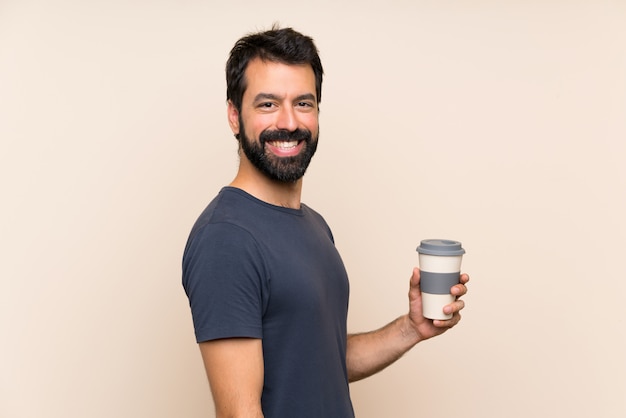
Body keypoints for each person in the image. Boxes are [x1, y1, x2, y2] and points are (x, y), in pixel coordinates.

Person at [182, 25, 469, 418]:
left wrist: (411, 328)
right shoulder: (227, 239)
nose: (289, 122)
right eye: (267, 104)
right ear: (235, 115)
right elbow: (239, 412)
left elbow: (320, 361)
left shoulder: (313, 224)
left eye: (304, 103)